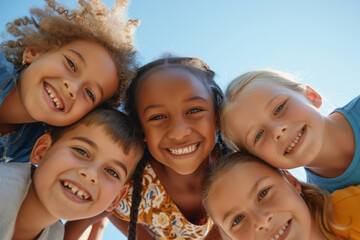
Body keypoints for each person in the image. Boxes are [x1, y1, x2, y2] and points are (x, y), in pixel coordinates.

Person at [0, 0, 139, 163]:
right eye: (71, 64)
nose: (72, 88)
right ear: (34, 52)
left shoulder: (32, 148)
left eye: (89, 94)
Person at [105, 56, 229, 239]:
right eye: (157, 117)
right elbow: (100, 207)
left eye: (194, 110)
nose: (178, 133)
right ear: (141, 129)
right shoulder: (129, 181)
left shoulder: (240, 172)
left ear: (217, 116)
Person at [0, 108, 144, 240]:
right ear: (42, 151)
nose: (91, 174)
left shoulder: (55, 233)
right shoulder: (3, 189)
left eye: (112, 172)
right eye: (81, 151)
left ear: (116, 198)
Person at [220, 69, 359, 193]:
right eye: (259, 135)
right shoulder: (323, 205)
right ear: (262, 161)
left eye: (279, 108)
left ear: (311, 96)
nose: (277, 131)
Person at [202, 151, 360, 240]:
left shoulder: (352, 209)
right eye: (237, 220)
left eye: (263, 193)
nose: (262, 220)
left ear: (292, 182)